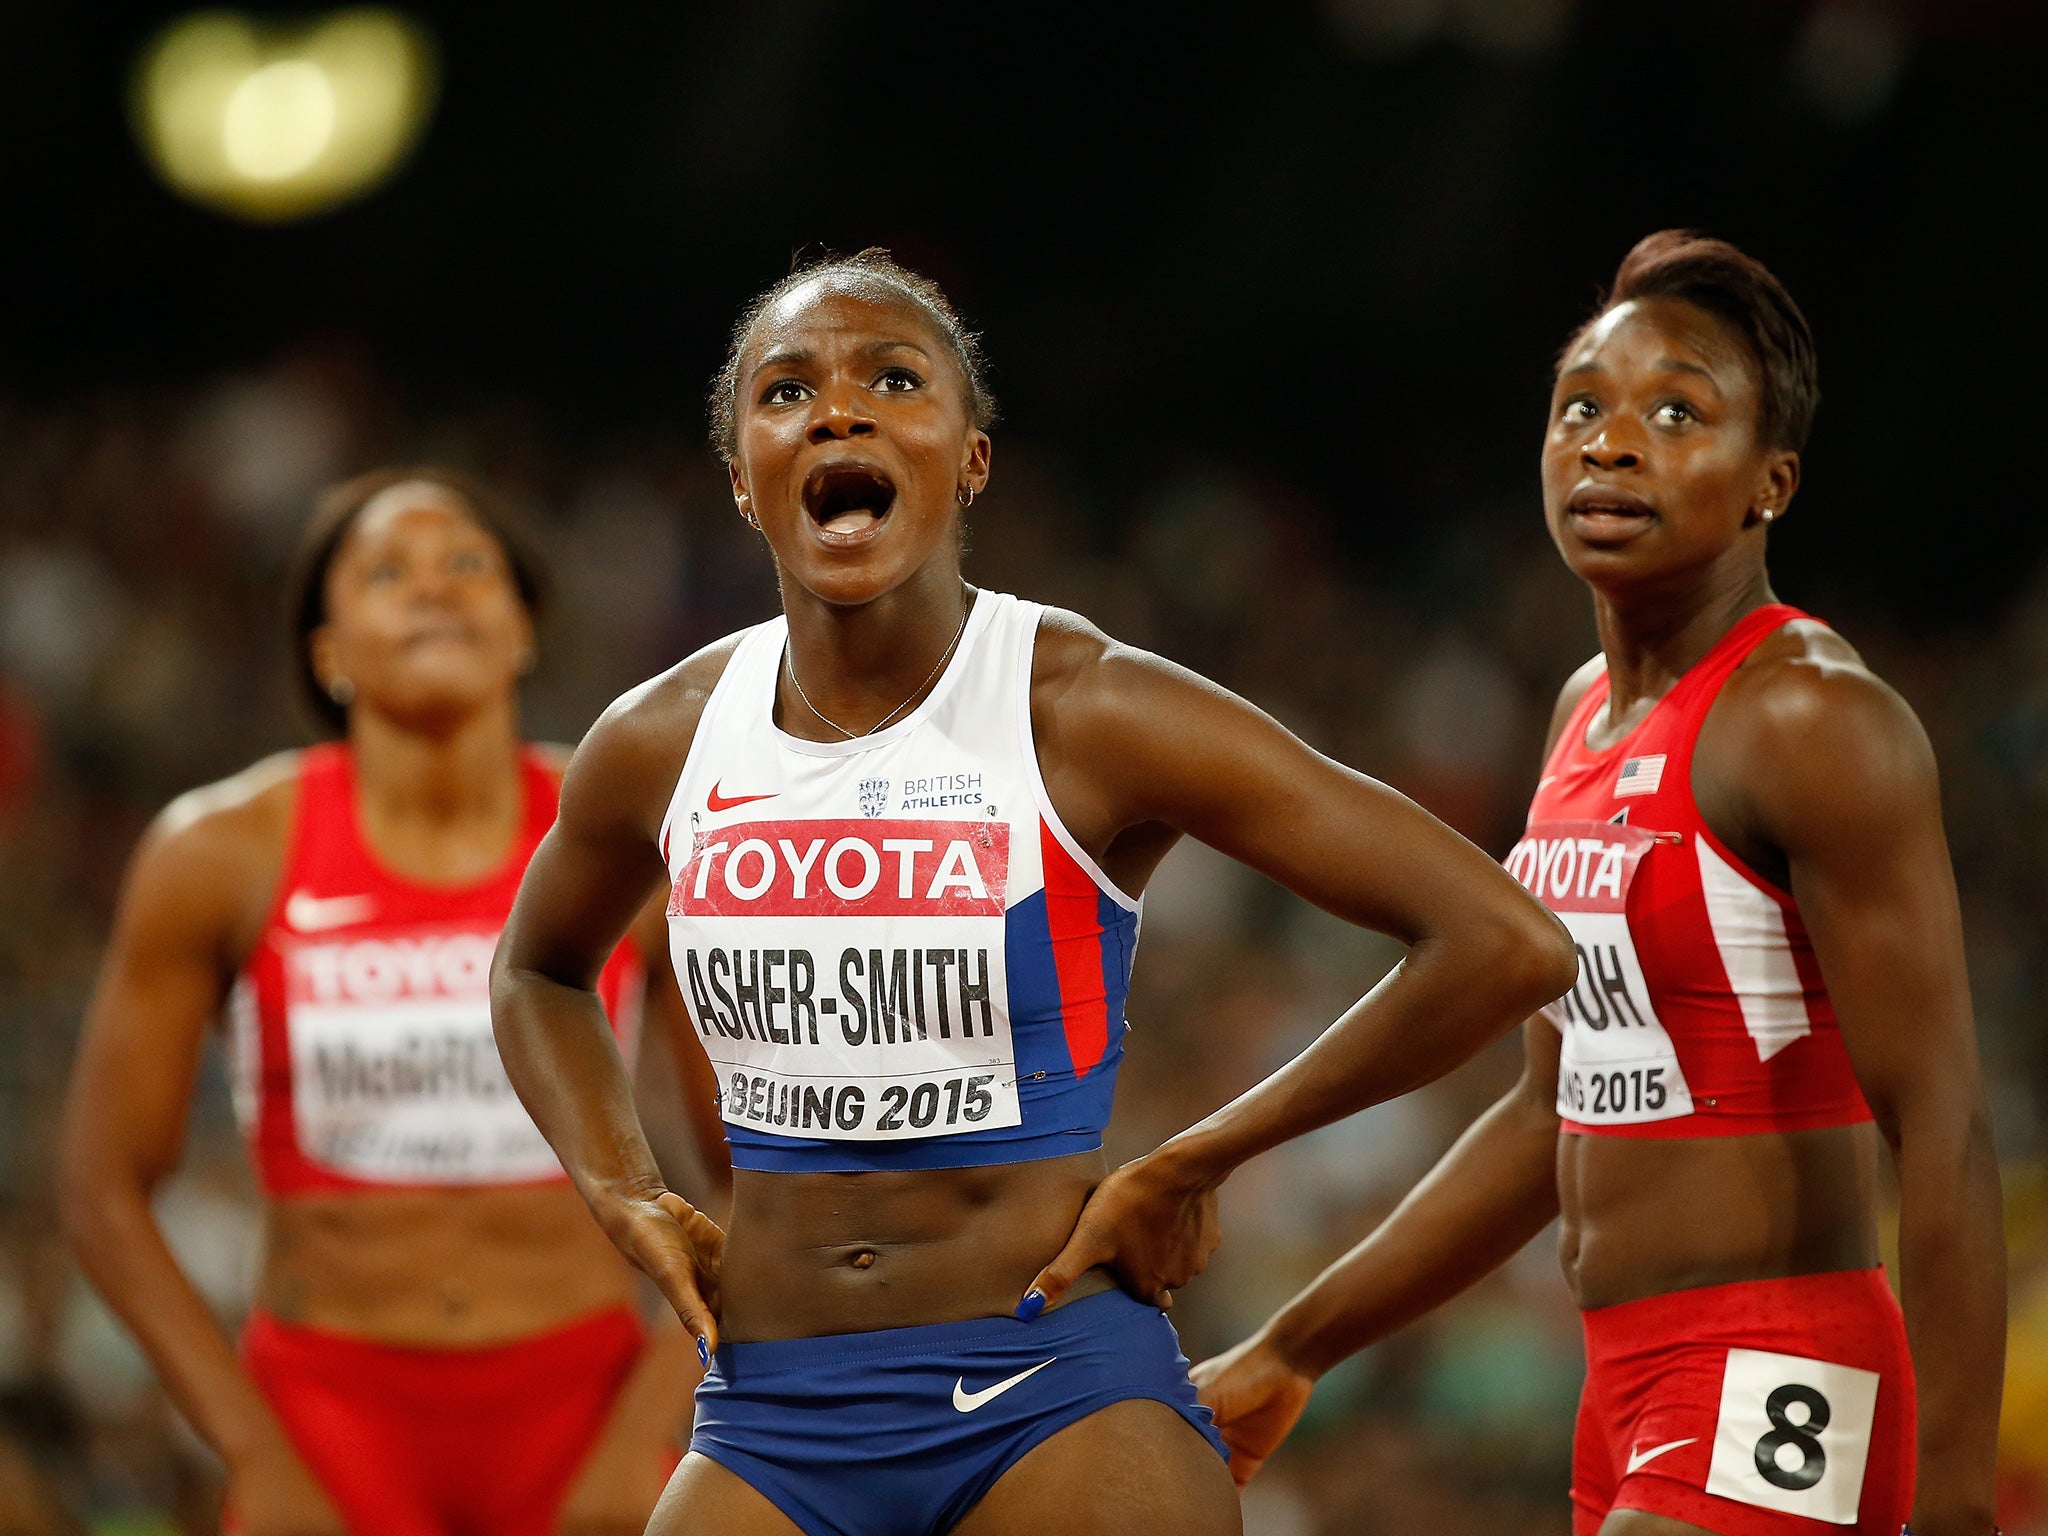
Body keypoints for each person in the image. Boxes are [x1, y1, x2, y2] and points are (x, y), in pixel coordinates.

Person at [488, 249, 1579, 1536]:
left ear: (969, 460)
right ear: (742, 483)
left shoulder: (1086, 705)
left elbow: (1500, 941)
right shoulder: (662, 737)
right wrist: (619, 1187)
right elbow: (536, 970)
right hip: (770, 1409)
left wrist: (1195, 1157)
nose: (837, 409)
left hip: (1051, 1392)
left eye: (894, 379)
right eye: (786, 391)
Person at [1192, 232, 2006, 1536]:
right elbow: (1545, 1112)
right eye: (1582, 406)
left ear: (1769, 485)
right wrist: (1296, 1345)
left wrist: (1962, 1511)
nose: (1610, 443)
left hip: (1777, 1364)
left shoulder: (1810, 718)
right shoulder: (1582, 715)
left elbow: (1947, 1123)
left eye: (1677, 413)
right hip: (1623, 1386)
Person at [59, 468, 730, 1536]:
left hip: (583, 1410)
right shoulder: (217, 852)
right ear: (328, 652)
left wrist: (651, 1424)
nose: (435, 589)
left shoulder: (634, 845)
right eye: (386, 572)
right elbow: (101, 1188)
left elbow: (761, 1176)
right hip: (329, 1423)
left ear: (521, 628)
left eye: (469, 566)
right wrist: (252, 1452)